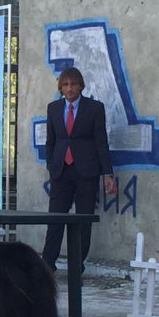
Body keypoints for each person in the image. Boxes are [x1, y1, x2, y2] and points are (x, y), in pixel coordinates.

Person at [41, 66, 116, 273]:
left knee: (83, 221)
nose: (70, 88)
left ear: (81, 86)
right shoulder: (54, 108)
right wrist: (51, 164)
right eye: (65, 84)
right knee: (55, 219)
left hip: (86, 171)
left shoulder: (94, 108)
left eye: (74, 84)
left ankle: (77, 265)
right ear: (61, 88)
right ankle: (48, 265)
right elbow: (51, 141)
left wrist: (107, 174)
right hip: (61, 171)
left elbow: (102, 142)